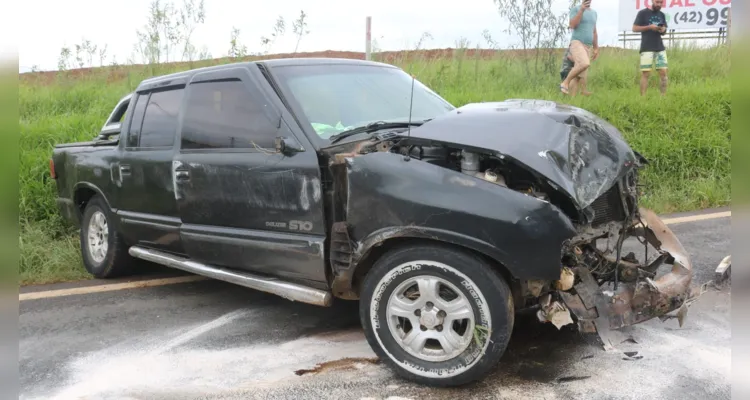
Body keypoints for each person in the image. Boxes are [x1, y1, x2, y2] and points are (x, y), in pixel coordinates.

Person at [560, 0, 599, 96]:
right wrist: (581, 10)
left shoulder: (594, 13)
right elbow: (572, 25)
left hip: (588, 46)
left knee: (578, 76)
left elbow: (594, 31)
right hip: (577, 42)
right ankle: (565, 82)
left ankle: (572, 103)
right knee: (584, 63)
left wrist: (596, 48)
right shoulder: (576, 9)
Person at [633, 0, 668, 96]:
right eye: (657, 2)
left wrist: (663, 30)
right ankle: (643, 98)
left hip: (660, 47)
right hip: (646, 47)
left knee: (663, 73)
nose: (659, 4)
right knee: (646, 74)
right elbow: (634, 28)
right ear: (652, 1)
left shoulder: (662, 15)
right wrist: (649, 27)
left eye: (661, 3)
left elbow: (664, 31)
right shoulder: (642, 13)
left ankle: (663, 97)